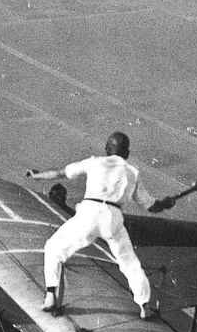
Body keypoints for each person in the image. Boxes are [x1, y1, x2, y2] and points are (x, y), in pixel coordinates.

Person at [26, 132, 176, 319]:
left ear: (107, 149)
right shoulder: (133, 173)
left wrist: (37, 175)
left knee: (53, 248)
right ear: (127, 153)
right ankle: (144, 306)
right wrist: (166, 203)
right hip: (113, 218)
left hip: (89, 212)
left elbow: (60, 173)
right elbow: (151, 206)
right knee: (130, 264)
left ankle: (50, 296)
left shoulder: (94, 162)